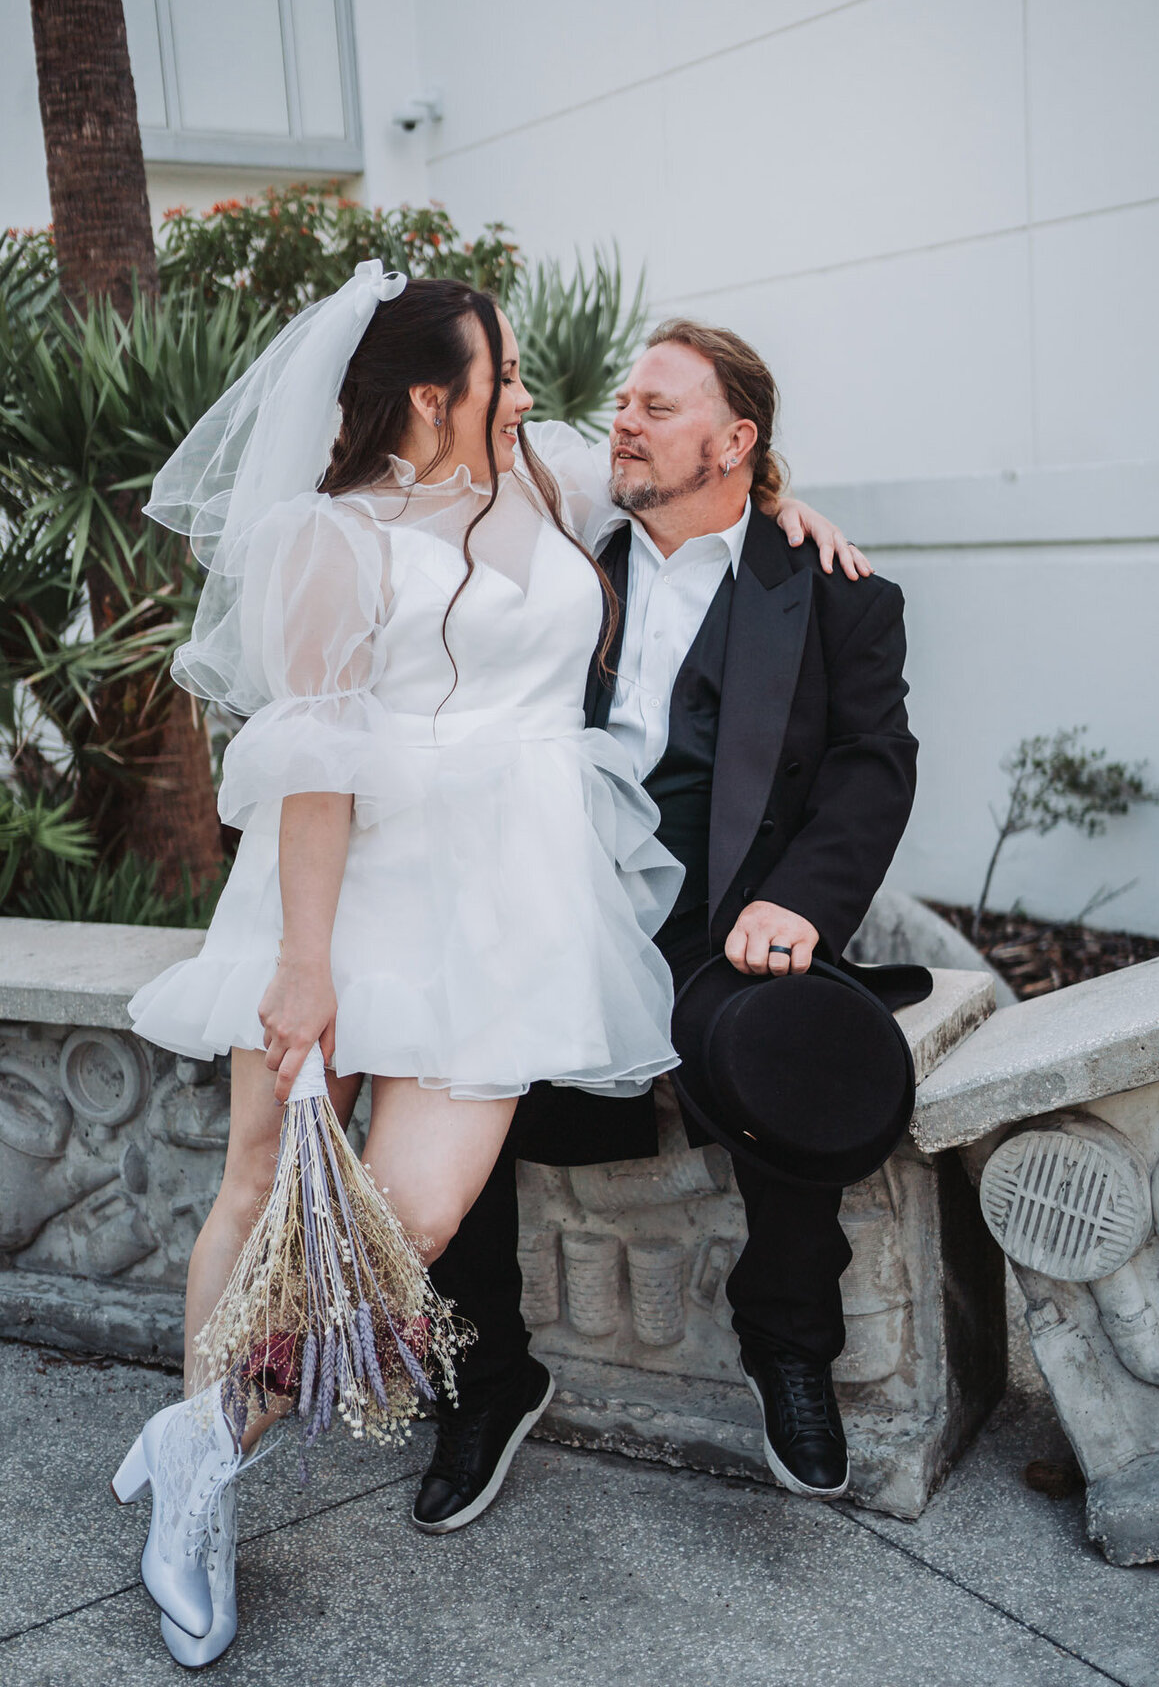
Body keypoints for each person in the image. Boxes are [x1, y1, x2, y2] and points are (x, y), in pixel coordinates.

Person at [111, 266, 855, 1665]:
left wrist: (783, 511)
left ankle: (196, 1435)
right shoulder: (325, 541)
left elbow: (697, 487)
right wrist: (306, 969)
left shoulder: (543, 474)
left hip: (515, 898)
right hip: (346, 887)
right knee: (263, 1176)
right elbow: (318, 771)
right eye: (502, 374)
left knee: (416, 1219)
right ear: (424, 398)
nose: (533, 394)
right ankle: (202, 1498)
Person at [419, 318, 917, 1534]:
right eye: (622, 405)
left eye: (657, 406)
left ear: (735, 442)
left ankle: (788, 1346)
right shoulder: (556, 564)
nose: (623, 423)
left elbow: (872, 765)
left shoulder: (836, 593)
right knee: (446, 1059)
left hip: (719, 924)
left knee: (786, 1051)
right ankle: (485, 1383)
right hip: (558, 913)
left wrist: (799, 903)